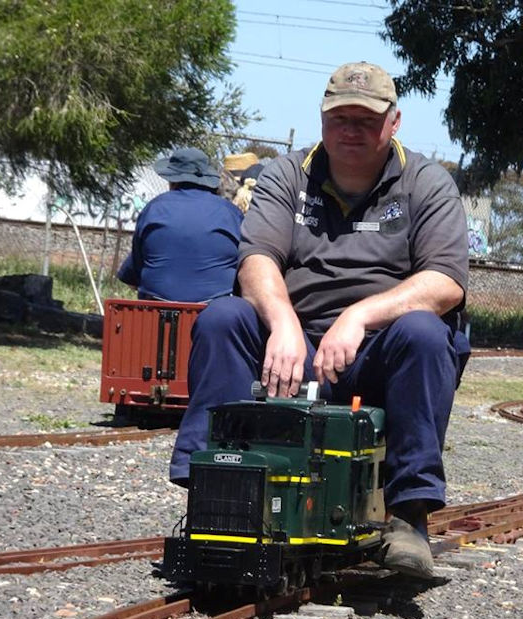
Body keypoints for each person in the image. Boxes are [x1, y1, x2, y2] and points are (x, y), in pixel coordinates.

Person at [169, 62, 470, 579]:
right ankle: (212, 495)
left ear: (393, 122)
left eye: (365, 119)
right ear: (323, 119)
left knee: (426, 331)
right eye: (339, 118)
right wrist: (283, 321)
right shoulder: (287, 174)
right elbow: (257, 257)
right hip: (293, 349)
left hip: (377, 352)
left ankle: (409, 517)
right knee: (224, 318)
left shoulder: (426, 183)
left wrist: (359, 316)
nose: (350, 130)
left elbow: (445, 281)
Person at [117, 147, 243, 302]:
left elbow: (133, 277)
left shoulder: (153, 209)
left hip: (153, 319)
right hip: (214, 319)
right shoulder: (231, 214)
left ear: (172, 180)